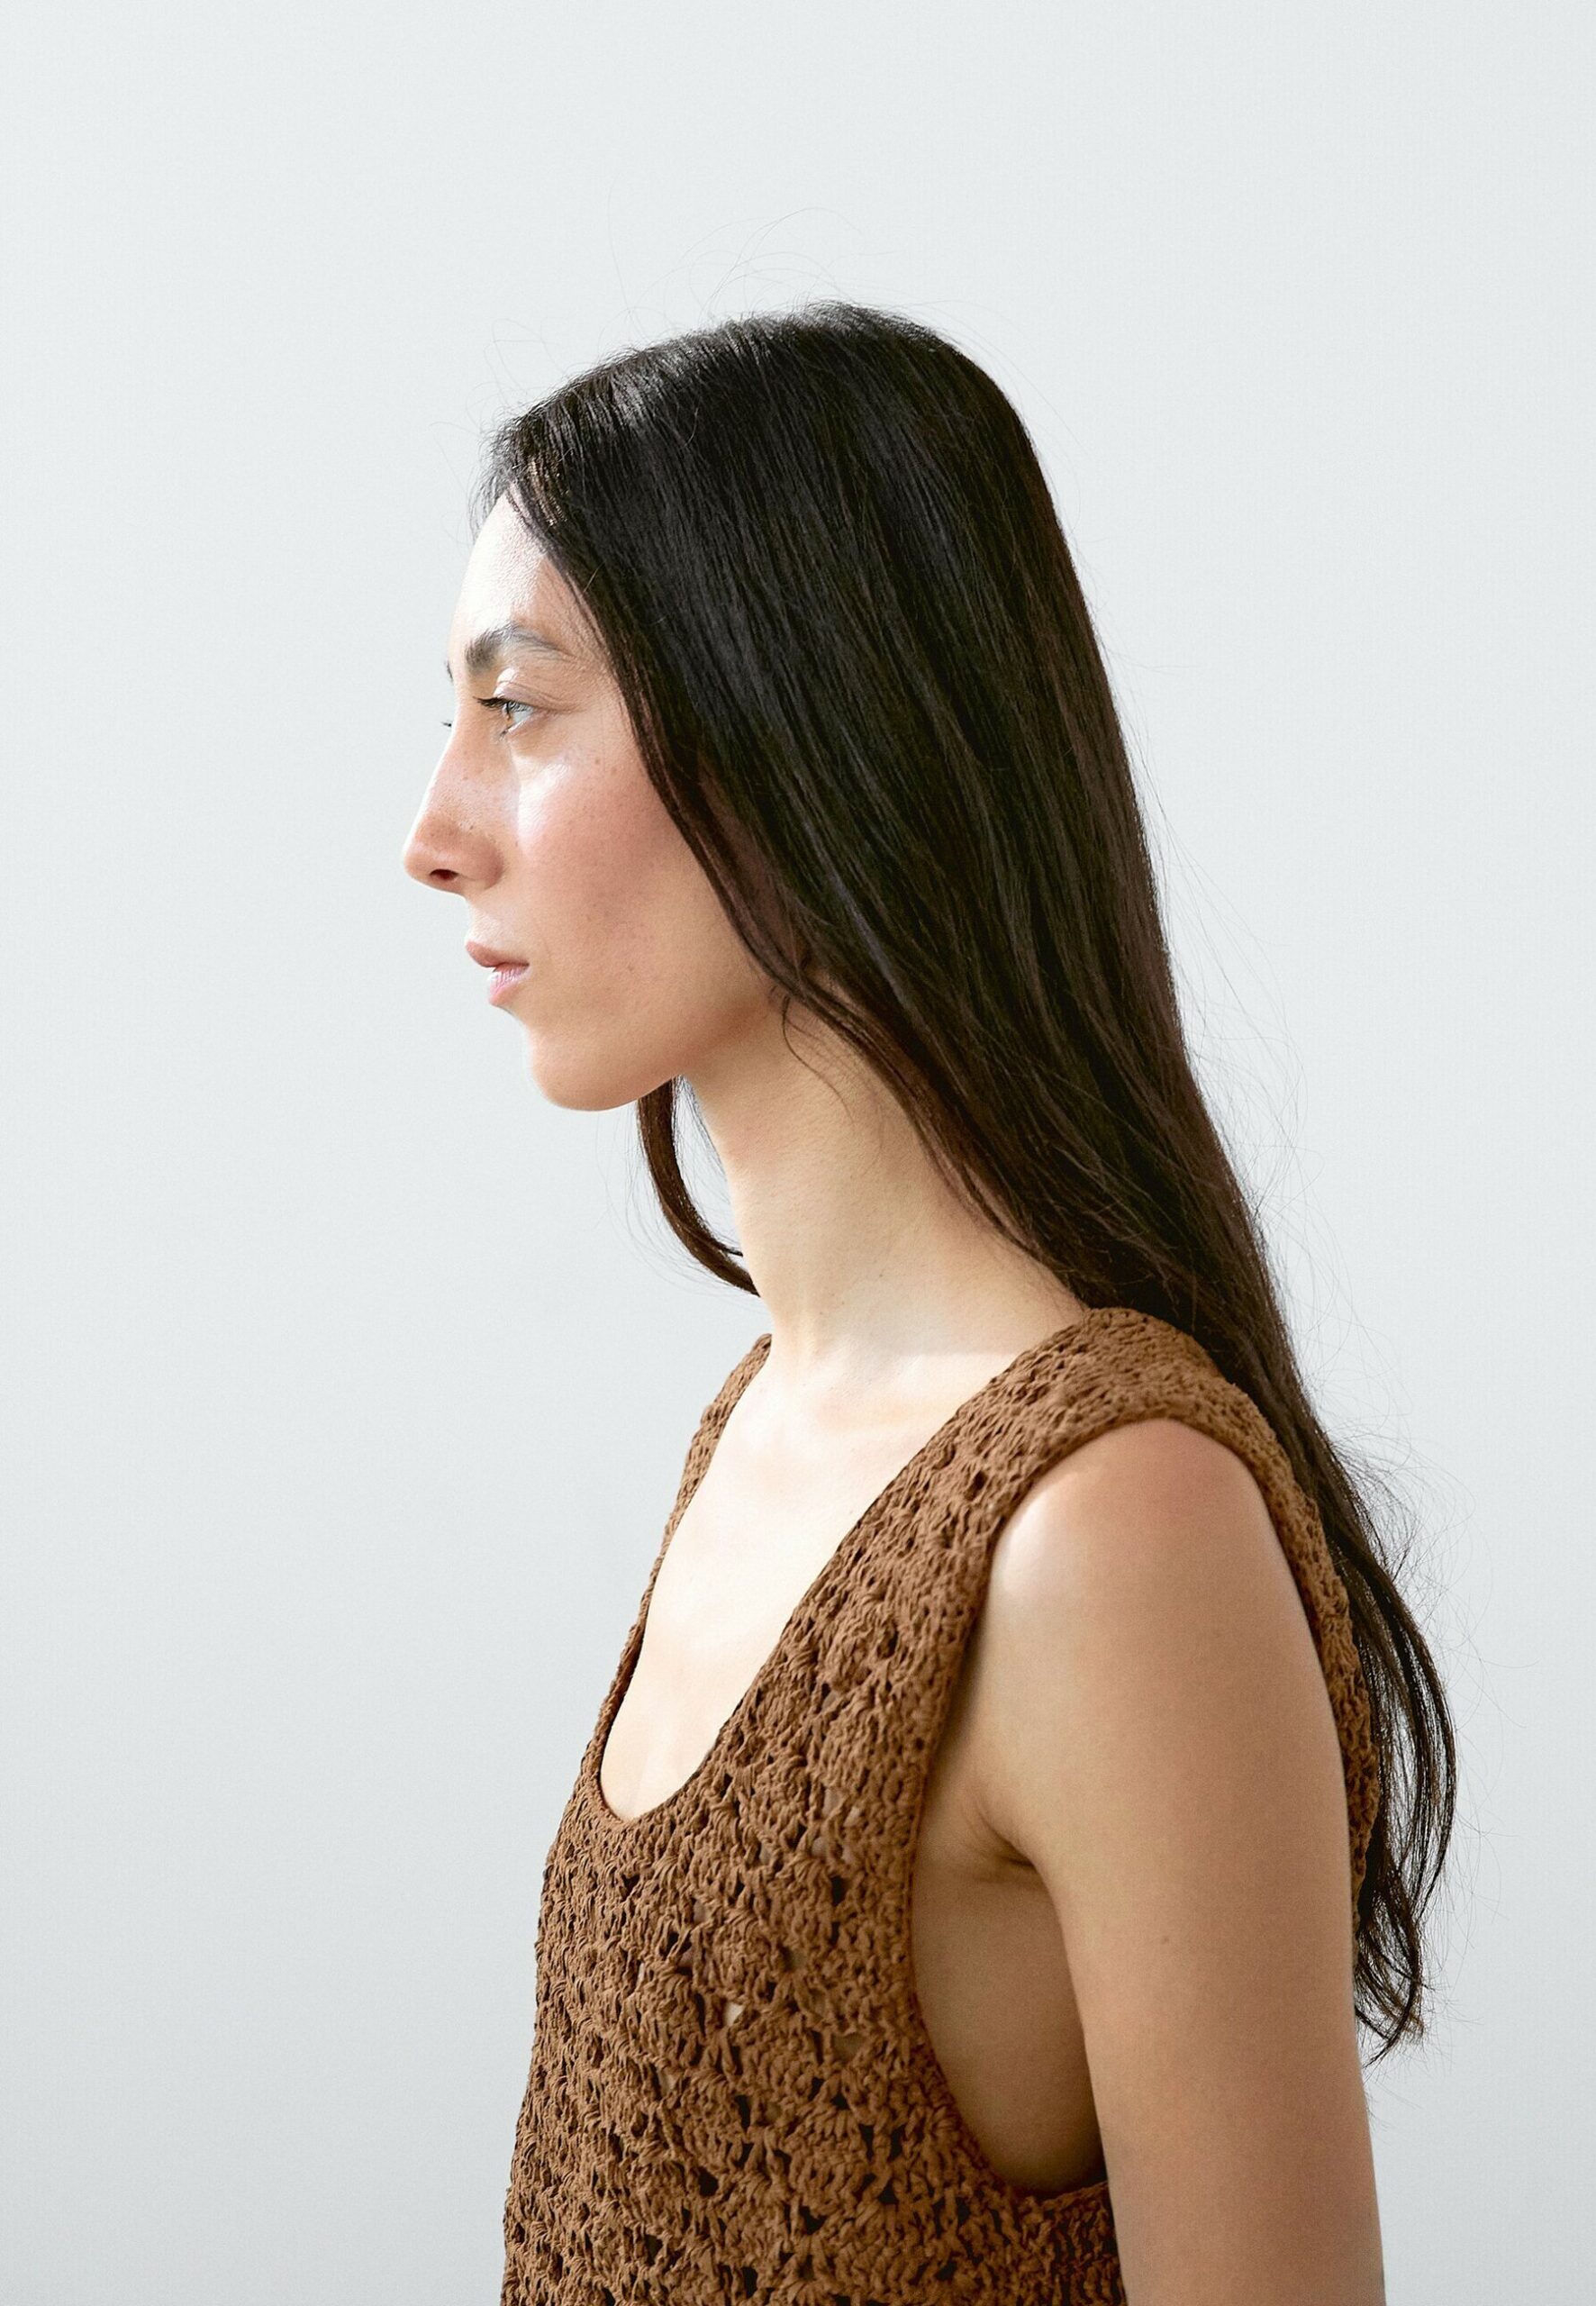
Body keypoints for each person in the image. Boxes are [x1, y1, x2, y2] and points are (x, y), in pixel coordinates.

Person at [403, 301, 1452, 2305]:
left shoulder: (1108, 1530)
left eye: (517, 708)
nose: (435, 832)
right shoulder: (760, 1426)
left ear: (803, 729)